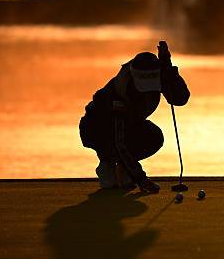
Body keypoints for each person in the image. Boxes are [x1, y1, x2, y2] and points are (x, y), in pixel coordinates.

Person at [79, 41, 190, 192]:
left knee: (154, 137)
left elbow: (180, 99)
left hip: (129, 124)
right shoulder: (118, 95)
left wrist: (167, 67)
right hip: (97, 130)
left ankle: (125, 170)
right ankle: (106, 164)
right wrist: (141, 179)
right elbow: (119, 142)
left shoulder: (158, 73)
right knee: (109, 183)